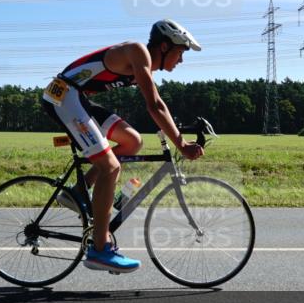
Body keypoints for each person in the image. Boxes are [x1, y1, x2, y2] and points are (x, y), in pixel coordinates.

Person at [40, 19, 204, 273]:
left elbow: (157, 103)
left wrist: (176, 133)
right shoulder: (138, 52)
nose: (181, 60)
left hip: (76, 97)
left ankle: (76, 194)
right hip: (63, 97)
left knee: (133, 141)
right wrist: (181, 144)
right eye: (180, 52)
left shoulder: (143, 64)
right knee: (111, 168)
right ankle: (100, 249)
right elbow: (155, 106)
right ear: (163, 47)